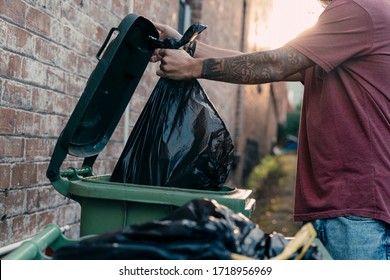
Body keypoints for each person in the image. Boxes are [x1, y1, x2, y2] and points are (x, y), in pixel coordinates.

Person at [150, 0, 390, 260]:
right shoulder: (355, 20)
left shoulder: (359, 9)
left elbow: (277, 63)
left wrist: (193, 68)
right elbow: (271, 62)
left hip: (357, 207)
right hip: (346, 205)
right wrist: (188, 46)